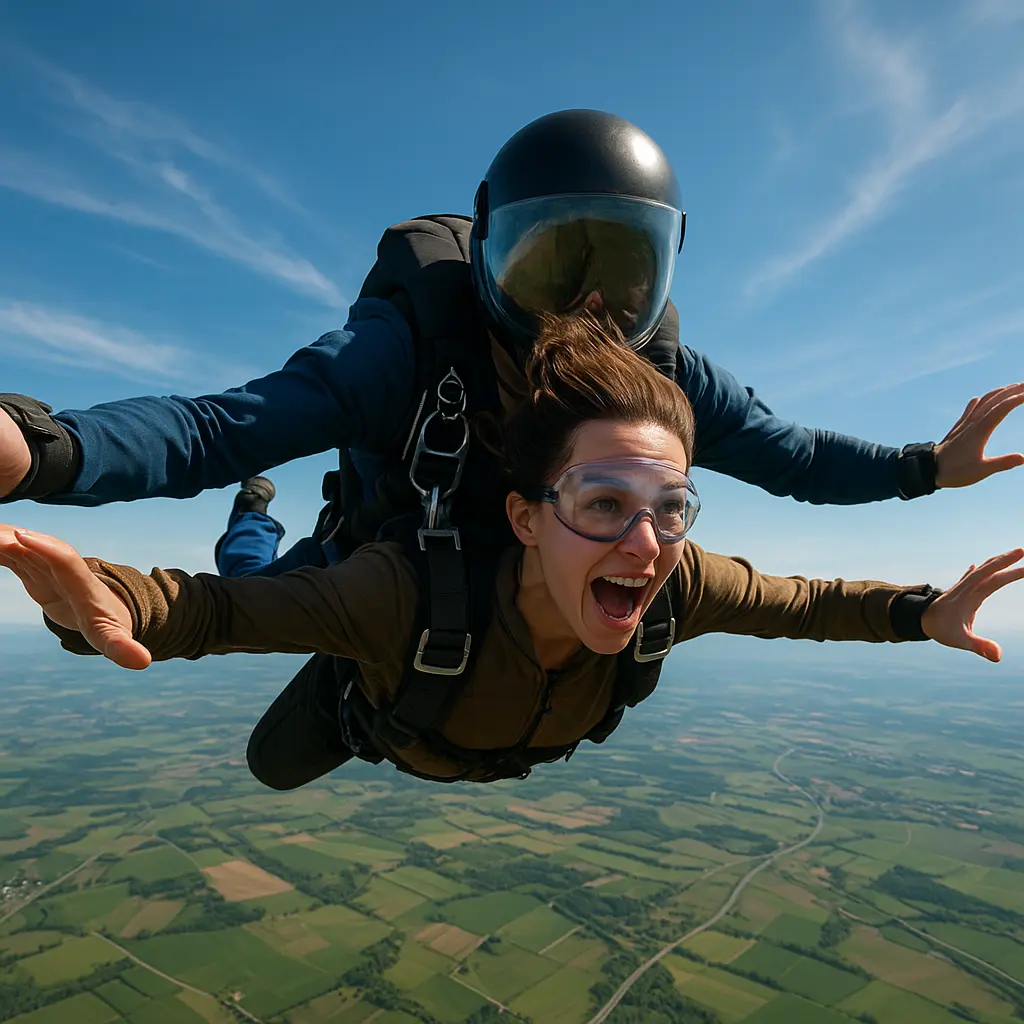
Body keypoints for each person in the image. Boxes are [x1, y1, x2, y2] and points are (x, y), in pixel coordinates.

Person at [0, 109, 1020, 586]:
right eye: (552, 267)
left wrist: (924, 469)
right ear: (489, 251)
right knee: (253, 594)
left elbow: (789, 455)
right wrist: (38, 448)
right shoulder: (407, 348)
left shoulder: (660, 380)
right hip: (386, 555)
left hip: (510, 581)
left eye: (623, 274)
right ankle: (255, 521)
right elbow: (217, 428)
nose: (586, 307)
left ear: (666, 274)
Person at [1, 314, 1019, 791]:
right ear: (526, 516)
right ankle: (258, 507)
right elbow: (211, 609)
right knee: (266, 613)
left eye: (671, 507)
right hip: (377, 678)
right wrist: (96, 604)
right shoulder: (406, 593)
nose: (645, 542)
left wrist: (919, 610)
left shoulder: (676, 582)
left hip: (450, 711)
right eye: (604, 503)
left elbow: (805, 600)